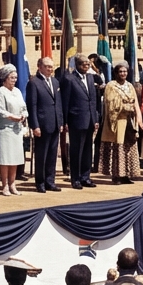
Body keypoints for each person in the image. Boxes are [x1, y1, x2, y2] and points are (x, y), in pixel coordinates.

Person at [99, 61, 141, 184]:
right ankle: (117, 175)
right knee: (118, 147)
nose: (123, 73)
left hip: (129, 120)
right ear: (116, 73)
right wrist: (125, 106)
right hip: (117, 121)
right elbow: (110, 102)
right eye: (120, 71)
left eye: (125, 71)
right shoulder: (111, 85)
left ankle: (126, 174)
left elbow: (135, 102)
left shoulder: (130, 85)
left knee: (128, 147)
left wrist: (138, 116)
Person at [62, 54, 99, 190]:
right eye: (84, 64)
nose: (86, 66)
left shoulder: (90, 78)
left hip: (89, 119)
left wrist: (95, 119)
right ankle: (75, 178)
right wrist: (65, 121)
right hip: (76, 119)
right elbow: (66, 101)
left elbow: (93, 100)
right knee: (76, 150)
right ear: (77, 65)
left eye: (88, 64)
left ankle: (85, 177)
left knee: (88, 150)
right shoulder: (69, 79)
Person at [27, 56, 63, 194]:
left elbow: (58, 103)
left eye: (51, 66)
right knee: (41, 155)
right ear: (40, 67)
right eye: (47, 66)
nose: (50, 69)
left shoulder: (55, 81)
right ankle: (40, 182)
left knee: (52, 154)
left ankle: (50, 181)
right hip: (42, 125)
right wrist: (35, 125)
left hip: (54, 123)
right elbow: (32, 106)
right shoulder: (34, 83)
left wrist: (60, 121)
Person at [0, 64, 28, 195]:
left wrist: (24, 115)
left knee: (15, 158)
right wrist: (13, 117)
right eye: (12, 77)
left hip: (17, 130)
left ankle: (12, 184)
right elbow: (1, 110)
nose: (14, 80)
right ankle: (4, 185)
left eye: (15, 78)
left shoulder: (18, 91)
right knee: (5, 158)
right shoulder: (0, 91)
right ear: (5, 78)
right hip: (5, 129)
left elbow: (24, 108)